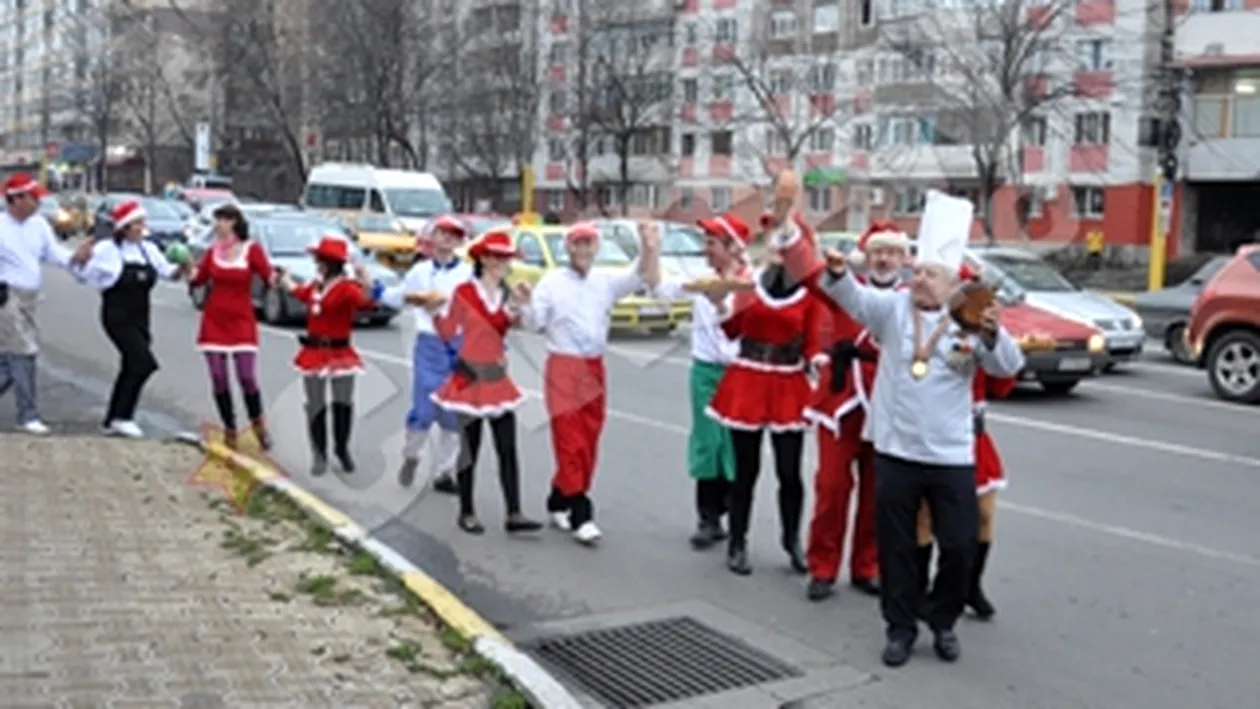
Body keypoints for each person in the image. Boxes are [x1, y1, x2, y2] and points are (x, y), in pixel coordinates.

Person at [773, 189, 1025, 667]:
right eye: (917, 271)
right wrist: (841, 271)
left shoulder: (969, 317)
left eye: (928, 273)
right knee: (898, 549)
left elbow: (1007, 364)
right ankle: (900, 627)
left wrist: (991, 331)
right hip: (897, 452)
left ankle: (943, 619)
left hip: (950, 455)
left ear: (953, 282)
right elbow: (849, 295)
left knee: (958, 546)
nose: (916, 278)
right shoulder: (892, 311)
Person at [516, 221, 661, 545]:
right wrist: (524, 302)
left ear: (596, 248)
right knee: (570, 439)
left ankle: (559, 497)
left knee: (589, 438)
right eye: (577, 244)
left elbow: (637, 274)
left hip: (594, 367)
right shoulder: (552, 282)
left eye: (589, 244)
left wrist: (649, 246)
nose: (583, 251)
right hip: (563, 366)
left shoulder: (604, 281)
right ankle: (582, 510)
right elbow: (534, 322)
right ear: (567, 248)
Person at [703, 237, 827, 577]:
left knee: (790, 472)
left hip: (788, 383)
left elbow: (813, 344)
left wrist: (822, 364)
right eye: (776, 250)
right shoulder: (750, 284)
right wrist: (719, 304)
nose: (781, 256)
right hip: (749, 380)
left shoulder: (809, 295)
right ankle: (738, 543)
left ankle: (792, 541)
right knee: (747, 471)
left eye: (789, 251)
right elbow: (730, 330)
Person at [802, 221, 912, 602]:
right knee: (832, 488)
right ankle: (822, 566)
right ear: (866, 256)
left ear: (904, 258)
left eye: (893, 252)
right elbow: (817, 280)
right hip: (842, 399)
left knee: (877, 492)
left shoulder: (913, 297)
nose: (885, 259)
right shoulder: (848, 288)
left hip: (886, 403)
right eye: (878, 251)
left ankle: (867, 565)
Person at [915, 263, 1018, 621]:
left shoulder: (980, 333)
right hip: (937, 434)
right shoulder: (932, 331)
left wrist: (991, 335)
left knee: (985, 516)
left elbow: (1004, 380)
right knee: (925, 518)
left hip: (974, 435)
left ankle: (971, 585)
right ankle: (921, 587)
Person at [648, 212, 751, 549]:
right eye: (706, 243)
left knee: (736, 447)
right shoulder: (701, 281)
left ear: (732, 247)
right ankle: (708, 517)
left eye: (712, 243)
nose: (706, 250)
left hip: (741, 373)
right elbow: (659, 289)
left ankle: (734, 516)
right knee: (708, 442)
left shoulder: (753, 284)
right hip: (706, 371)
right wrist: (650, 249)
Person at [432, 229, 541, 535]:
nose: (503, 263)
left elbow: (501, 332)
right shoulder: (466, 293)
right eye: (497, 257)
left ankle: (514, 512)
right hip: (470, 377)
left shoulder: (506, 294)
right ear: (483, 258)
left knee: (508, 448)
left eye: (506, 258)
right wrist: (433, 313)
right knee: (471, 448)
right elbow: (451, 330)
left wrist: (520, 305)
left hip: (495, 376)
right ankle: (466, 511)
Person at [73, 199, 191, 437]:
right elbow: (82, 274)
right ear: (124, 227)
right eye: (136, 223)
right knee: (143, 363)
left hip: (141, 316)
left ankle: (114, 418)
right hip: (117, 315)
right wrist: (80, 259)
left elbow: (167, 272)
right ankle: (122, 416)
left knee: (130, 366)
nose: (141, 228)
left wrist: (182, 267)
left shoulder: (147, 249)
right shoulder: (107, 250)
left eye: (142, 223)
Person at [379, 215, 471, 490]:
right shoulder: (420, 271)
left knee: (453, 412)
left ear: (459, 241)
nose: (447, 240)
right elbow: (401, 296)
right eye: (442, 233)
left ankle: (445, 472)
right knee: (424, 407)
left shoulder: (467, 273)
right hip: (429, 345)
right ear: (433, 236)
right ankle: (411, 455)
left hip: (456, 343)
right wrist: (375, 290)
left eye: (453, 235)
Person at [278, 234, 381, 475]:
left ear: (330, 263)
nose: (316, 264)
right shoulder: (316, 286)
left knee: (342, 403)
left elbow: (366, 302)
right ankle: (319, 453)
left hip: (339, 351)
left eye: (320, 260)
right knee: (314, 404)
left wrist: (365, 278)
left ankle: (341, 449)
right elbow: (297, 291)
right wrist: (285, 278)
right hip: (313, 351)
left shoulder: (346, 288)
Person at [0, 173, 88, 435]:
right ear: (15, 200)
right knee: (23, 353)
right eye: (31, 196)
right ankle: (28, 415)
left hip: (30, 298)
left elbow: (54, 253)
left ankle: (28, 413)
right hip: (6, 297)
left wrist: (76, 257)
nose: (37, 201)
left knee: (9, 361)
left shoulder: (38, 225)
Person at [188, 203, 276, 448]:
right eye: (216, 220)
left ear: (234, 223)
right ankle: (230, 428)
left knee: (247, 377)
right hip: (214, 320)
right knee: (218, 377)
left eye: (222, 220)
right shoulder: (212, 252)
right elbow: (199, 280)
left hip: (241, 321)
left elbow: (268, 275)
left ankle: (260, 428)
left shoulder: (251, 250)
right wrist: (186, 269)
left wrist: (278, 278)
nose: (217, 225)